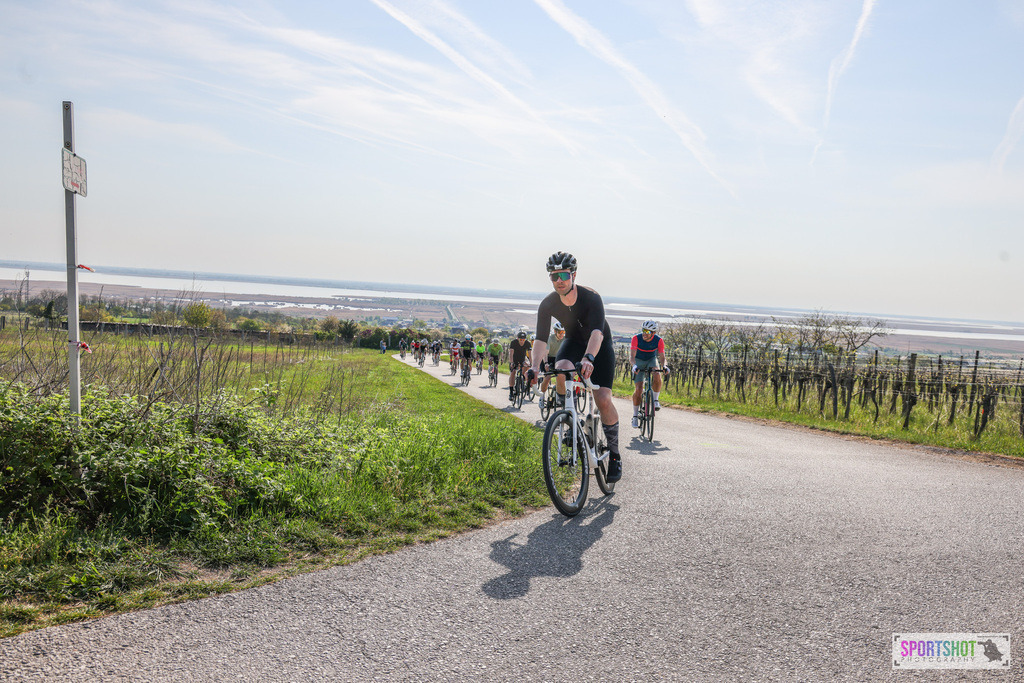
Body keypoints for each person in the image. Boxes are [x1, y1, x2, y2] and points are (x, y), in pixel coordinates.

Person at [529, 251, 621, 482]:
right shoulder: (548, 304)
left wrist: (589, 358)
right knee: (561, 368)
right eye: (554, 276)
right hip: (573, 342)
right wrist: (534, 367)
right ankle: (569, 418)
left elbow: (597, 333)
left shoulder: (591, 298)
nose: (559, 280)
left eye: (564, 275)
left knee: (603, 399)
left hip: (599, 345)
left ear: (574, 275)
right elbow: (540, 340)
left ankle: (615, 455)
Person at [629, 320, 668, 428]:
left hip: (651, 359)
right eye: (643, 330)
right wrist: (634, 366)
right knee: (639, 389)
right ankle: (635, 416)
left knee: (657, 373)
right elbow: (632, 356)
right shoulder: (636, 338)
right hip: (638, 361)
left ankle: (655, 400)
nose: (644, 333)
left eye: (648, 331)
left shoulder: (659, 340)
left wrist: (665, 366)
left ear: (653, 333)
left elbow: (662, 357)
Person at [539, 321, 566, 405]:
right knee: (548, 377)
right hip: (547, 358)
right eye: (560, 332)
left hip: (557, 359)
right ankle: (542, 396)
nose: (562, 334)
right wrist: (546, 363)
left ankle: (558, 395)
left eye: (563, 332)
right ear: (555, 331)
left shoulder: (565, 339)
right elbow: (545, 352)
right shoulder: (550, 339)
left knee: (562, 377)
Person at [507, 331, 532, 401]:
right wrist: (511, 362)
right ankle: (511, 392)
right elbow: (511, 353)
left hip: (522, 358)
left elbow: (530, 354)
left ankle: (522, 377)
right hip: (514, 358)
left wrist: (531, 363)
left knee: (527, 366)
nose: (522, 341)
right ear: (517, 338)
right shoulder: (513, 342)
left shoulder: (527, 343)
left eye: (523, 339)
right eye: (520, 339)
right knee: (513, 372)